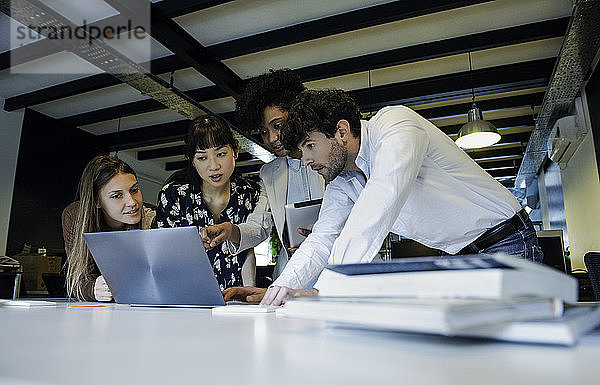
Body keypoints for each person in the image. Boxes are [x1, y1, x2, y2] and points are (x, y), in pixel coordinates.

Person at [257, 89, 543, 305]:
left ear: (342, 131)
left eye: (310, 146)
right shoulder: (342, 180)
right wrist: (278, 290)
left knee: (519, 345)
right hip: (460, 255)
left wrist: (328, 287)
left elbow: (384, 193)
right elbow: (322, 238)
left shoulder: (395, 125)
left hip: (506, 240)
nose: (306, 160)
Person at [201, 69, 324, 295]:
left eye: (278, 125)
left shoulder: (328, 154)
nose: (271, 139)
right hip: (290, 278)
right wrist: (231, 231)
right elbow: (259, 226)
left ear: (297, 115)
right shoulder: (269, 172)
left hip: (337, 272)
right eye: (264, 131)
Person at [155, 115, 261, 291]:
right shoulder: (174, 195)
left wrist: (250, 291)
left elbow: (249, 248)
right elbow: (165, 254)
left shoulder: (250, 193)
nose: (214, 166)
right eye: (202, 158)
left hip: (235, 300)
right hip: (186, 298)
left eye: (221, 154)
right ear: (192, 160)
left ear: (235, 150)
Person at [63, 155, 156, 301]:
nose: (132, 202)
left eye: (134, 190)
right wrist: (93, 289)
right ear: (96, 201)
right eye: (117, 196)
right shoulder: (75, 217)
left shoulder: (153, 217)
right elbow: (77, 281)